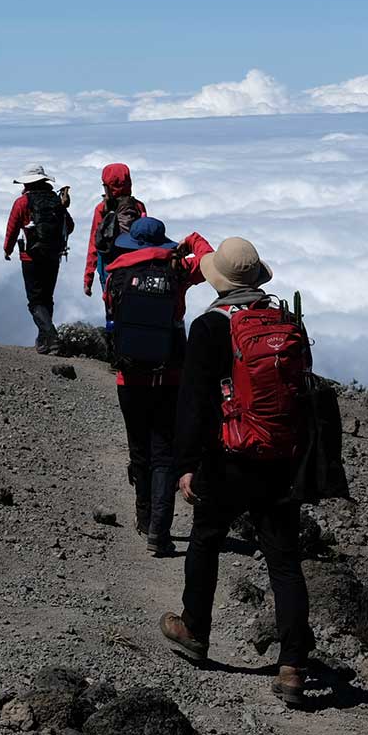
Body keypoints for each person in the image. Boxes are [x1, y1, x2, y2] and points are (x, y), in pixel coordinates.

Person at [160, 237, 316, 707]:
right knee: (284, 561)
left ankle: (194, 629)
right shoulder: (285, 322)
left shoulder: (210, 325)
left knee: (206, 538)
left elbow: (194, 401)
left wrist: (187, 465)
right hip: (279, 457)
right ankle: (292, 664)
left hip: (227, 457)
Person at [104, 216, 213, 556]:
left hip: (129, 377)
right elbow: (211, 261)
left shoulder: (115, 275)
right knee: (164, 451)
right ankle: (159, 533)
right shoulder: (179, 271)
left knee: (139, 448)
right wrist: (192, 240)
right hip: (170, 376)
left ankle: (143, 516)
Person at [3, 163, 74, 353]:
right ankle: (44, 342)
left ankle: (51, 336)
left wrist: (7, 249)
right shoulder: (55, 200)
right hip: (53, 254)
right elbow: (70, 225)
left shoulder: (22, 202)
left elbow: (12, 227)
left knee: (35, 300)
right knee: (47, 298)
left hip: (30, 256)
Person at [82, 162, 146, 298]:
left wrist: (88, 277)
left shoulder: (102, 209)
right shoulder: (138, 207)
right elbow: (147, 238)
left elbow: (94, 244)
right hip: (135, 264)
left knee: (112, 303)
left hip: (108, 266)